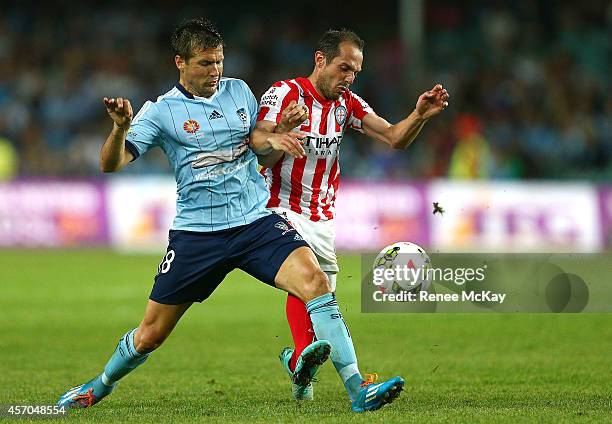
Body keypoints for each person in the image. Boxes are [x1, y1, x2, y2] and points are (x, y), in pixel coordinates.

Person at [56, 19, 403, 413]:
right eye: (205, 63)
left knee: (316, 282)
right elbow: (111, 164)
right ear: (180, 63)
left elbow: (256, 141)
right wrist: (120, 129)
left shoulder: (238, 91)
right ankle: (99, 385)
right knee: (151, 334)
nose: (215, 71)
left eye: (219, 61)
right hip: (199, 235)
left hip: (255, 222)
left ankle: (358, 389)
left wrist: (276, 134)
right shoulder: (161, 112)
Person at [251, 28, 449, 402]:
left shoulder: (348, 104)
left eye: (355, 72)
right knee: (312, 283)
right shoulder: (284, 93)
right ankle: (357, 386)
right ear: (320, 59)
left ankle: (297, 362)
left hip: (322, 215)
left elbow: (394, 138)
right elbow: (259, 143)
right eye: (343, 68)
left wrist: (419, 115)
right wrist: (280, 132)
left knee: (314, 292)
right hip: (279, 207)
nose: (349, 78)